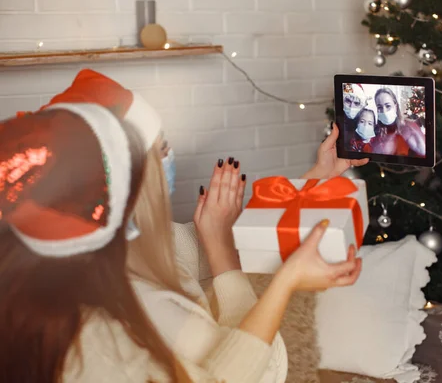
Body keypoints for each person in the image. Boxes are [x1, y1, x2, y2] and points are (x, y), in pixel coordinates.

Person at [35, 69, 367, 382]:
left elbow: (243, 243)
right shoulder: (138, 300)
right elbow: (262, 371)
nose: (170, 156)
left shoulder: (126, 247)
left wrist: (316, 179)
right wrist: (285, 281)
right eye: (161, 149)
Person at [372, 87, 426, 158]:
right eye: (379, 107)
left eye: (388, 106)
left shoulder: (408, 127)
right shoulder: (375, 130)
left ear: (395, 106)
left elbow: (423, 152)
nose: (384, 111)